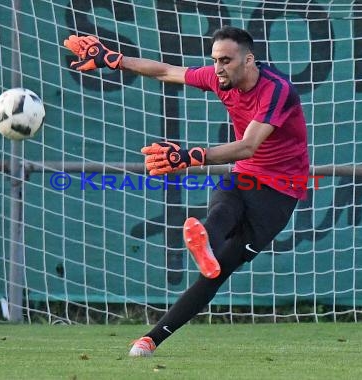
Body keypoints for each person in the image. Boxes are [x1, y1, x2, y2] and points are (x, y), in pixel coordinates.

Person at [63, 26, 310, 357]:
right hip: (246, 175)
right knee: (222, 209)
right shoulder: (219, 78)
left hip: (280, 191)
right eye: (215, 60)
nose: (218, 67)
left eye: (226, 60)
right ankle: (201, 246)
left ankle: (157, 331)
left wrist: (190, 156)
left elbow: (248, 145)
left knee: (217, 273)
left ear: (249, 59)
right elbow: (166, 71)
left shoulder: (276, 90)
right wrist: (116, 60)